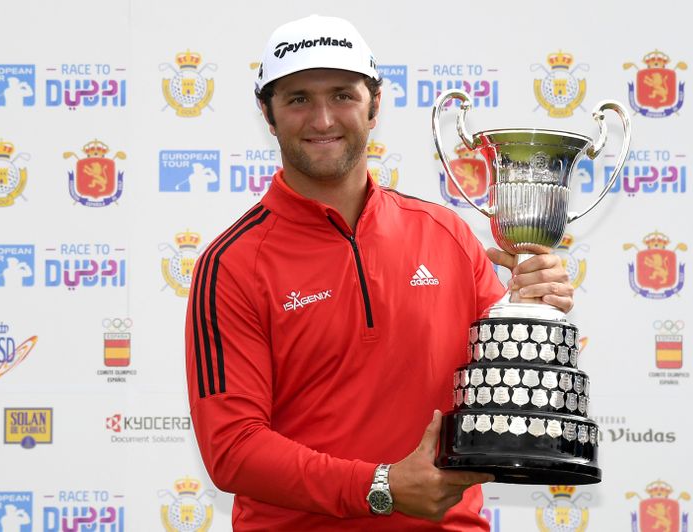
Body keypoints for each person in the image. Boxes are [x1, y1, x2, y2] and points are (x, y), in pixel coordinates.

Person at [185, 14, 574, 531]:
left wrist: (529, 310)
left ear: (375, 105)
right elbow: (232, 449)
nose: (323, 119)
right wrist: (381, 487)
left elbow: (500, 391)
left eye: (343, 95)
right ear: (268, 113)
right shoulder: (232, 263)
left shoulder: (447, 235)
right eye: (298, 98)